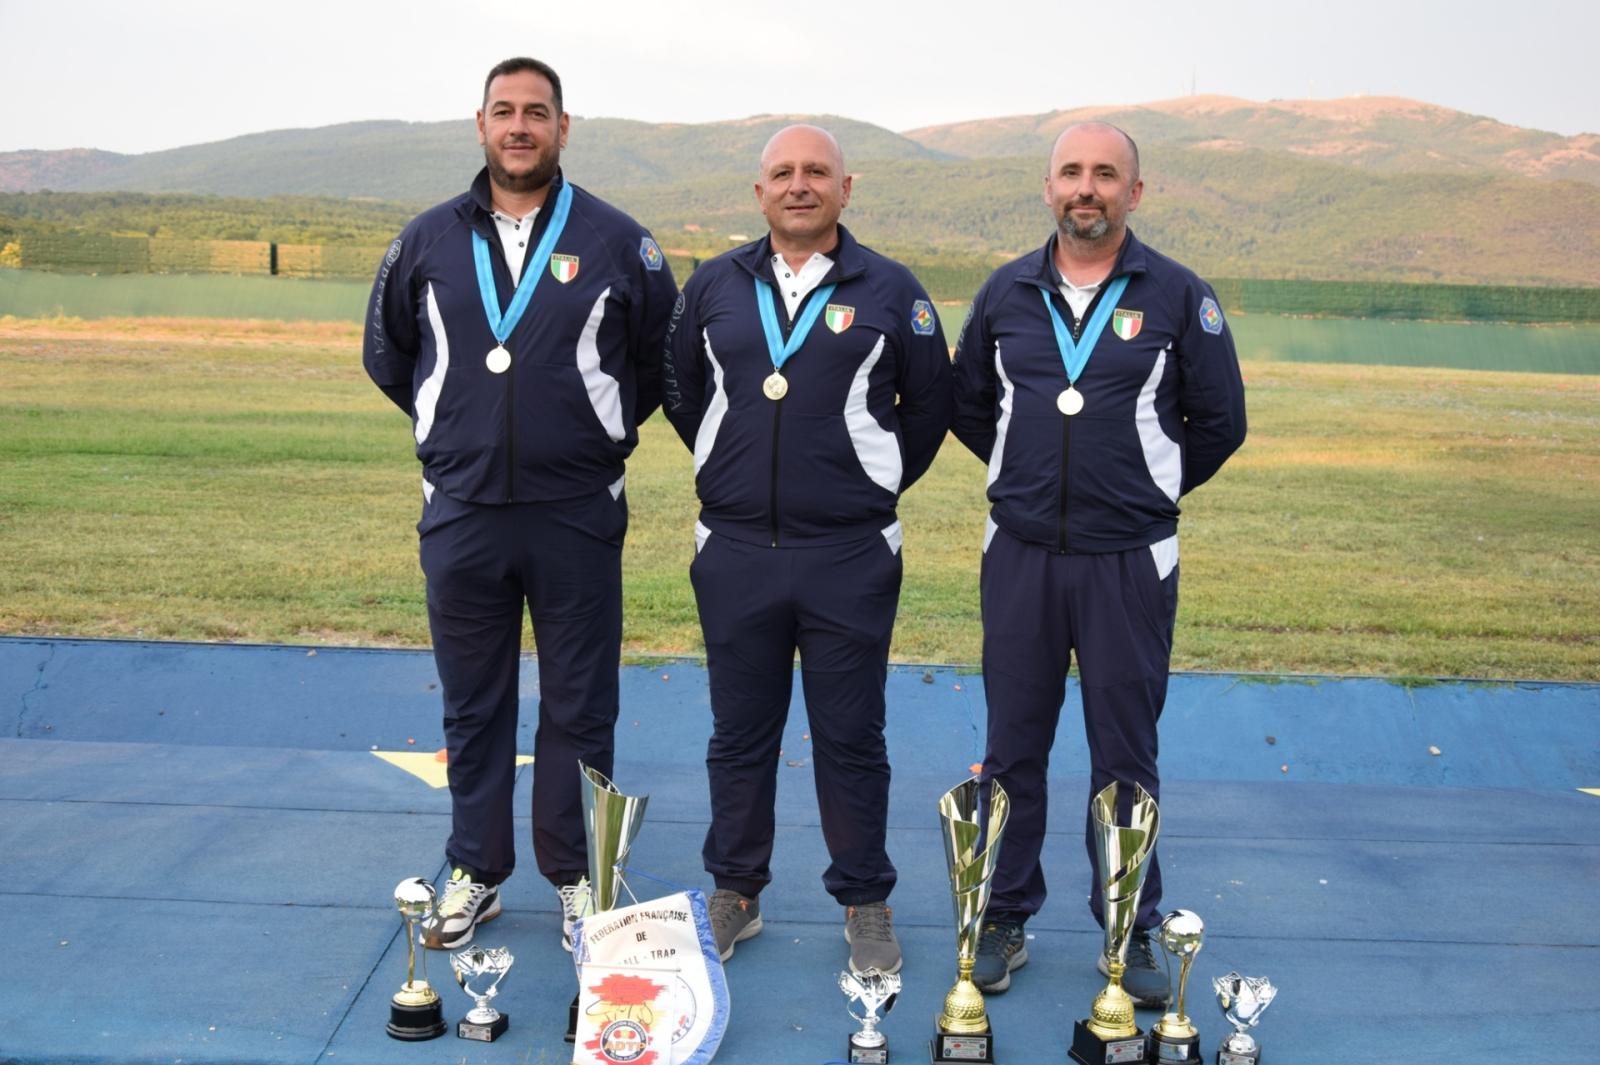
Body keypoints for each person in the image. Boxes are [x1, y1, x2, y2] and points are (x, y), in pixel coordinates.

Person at [362, 56, 677, 952]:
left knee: (582, 698)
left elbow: (660, 359)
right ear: (481, 124)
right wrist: (453, 429)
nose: (521, 127)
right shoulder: (424, 241)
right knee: (474, 699)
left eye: (537, 112)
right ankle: (475, 869)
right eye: (505, 111)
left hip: (575, 506)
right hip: (461, 508)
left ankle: (576, 876)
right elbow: (392, 357)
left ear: (563, 128)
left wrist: (587, 428)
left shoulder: (620, 241)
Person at [951, 122, 1246, 1003]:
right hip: (1023, 555)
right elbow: (971, 408)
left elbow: (1220, 422)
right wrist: (1032, 481)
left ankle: (1133, 923)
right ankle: (1005, 910)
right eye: (1072, 173)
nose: (1089, 187)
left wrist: (1141, 487)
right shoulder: (1005, 291)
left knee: (1126, 753)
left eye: (1106, 174)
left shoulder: (1179, 295)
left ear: (1135, 192)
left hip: (1129, 561)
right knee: (1012, 747)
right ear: (1048, 188)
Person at [661, 124, 952, 974]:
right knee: (738, 732)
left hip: (850, 552)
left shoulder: (894, 290)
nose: (799, 184)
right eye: (782, 172)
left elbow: (930, 407)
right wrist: (730, 464)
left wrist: (871, 476)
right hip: (736, 547)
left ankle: (864, 898)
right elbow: (681, 389)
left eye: (815, 171)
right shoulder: (713, 283)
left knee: (851, 733)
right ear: (759, 193)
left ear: (845, 188)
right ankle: (736, 891)